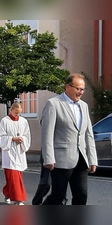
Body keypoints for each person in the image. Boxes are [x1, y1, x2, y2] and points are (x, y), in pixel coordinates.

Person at [41, 73, 97, 205]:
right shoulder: (53, 104)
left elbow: (88, 134)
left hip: (82, 160)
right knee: (58, 196)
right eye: (78, 88)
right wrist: (48, 158)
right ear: (67, 87)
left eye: (82, 89)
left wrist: (92, 159)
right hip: (61, 159)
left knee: (81, 197)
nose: (80, 92)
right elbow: (47, 133)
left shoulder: (84, 106)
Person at [0, 102, 31, 205]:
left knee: (15, 176)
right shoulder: (4, 121)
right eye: (16, 112)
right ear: (11, 110)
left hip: (19, 151)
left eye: (19, 113)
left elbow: (27, 135)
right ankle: (18, 198)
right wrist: (12, 138)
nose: (17, 115)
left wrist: (22, 139)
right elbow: (1, 137)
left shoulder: (23, 121)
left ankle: (7, 193)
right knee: (13, 176)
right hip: (9, 152)